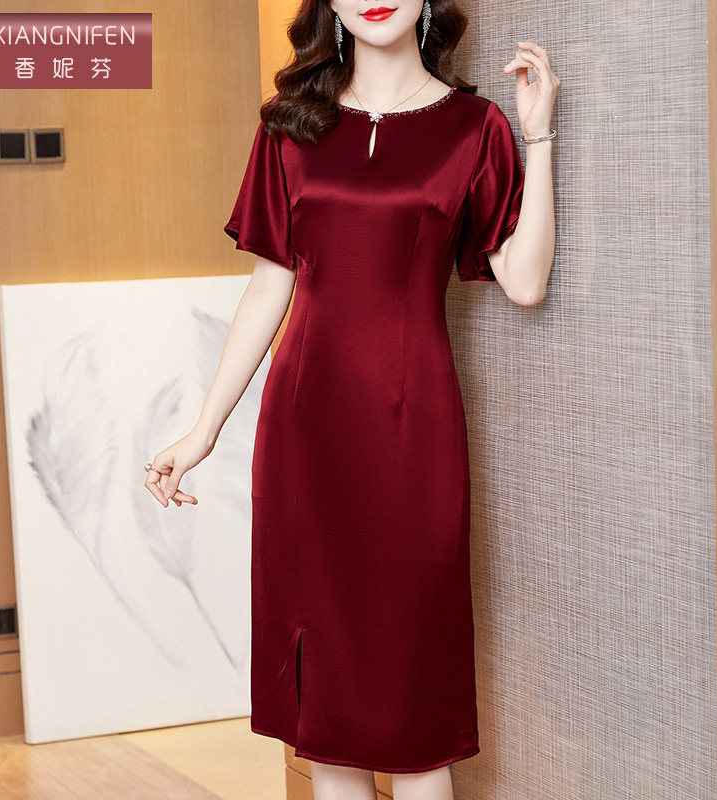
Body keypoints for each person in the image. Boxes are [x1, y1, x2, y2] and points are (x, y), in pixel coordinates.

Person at [144, 1, 559, 798]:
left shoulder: (475, 127)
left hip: (414, 432)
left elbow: (525, 279)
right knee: (328, 722)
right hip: (305, 433)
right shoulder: (289, 126)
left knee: (415, 717)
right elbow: (270, 286)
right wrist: (203, 430)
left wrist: (537, 138)